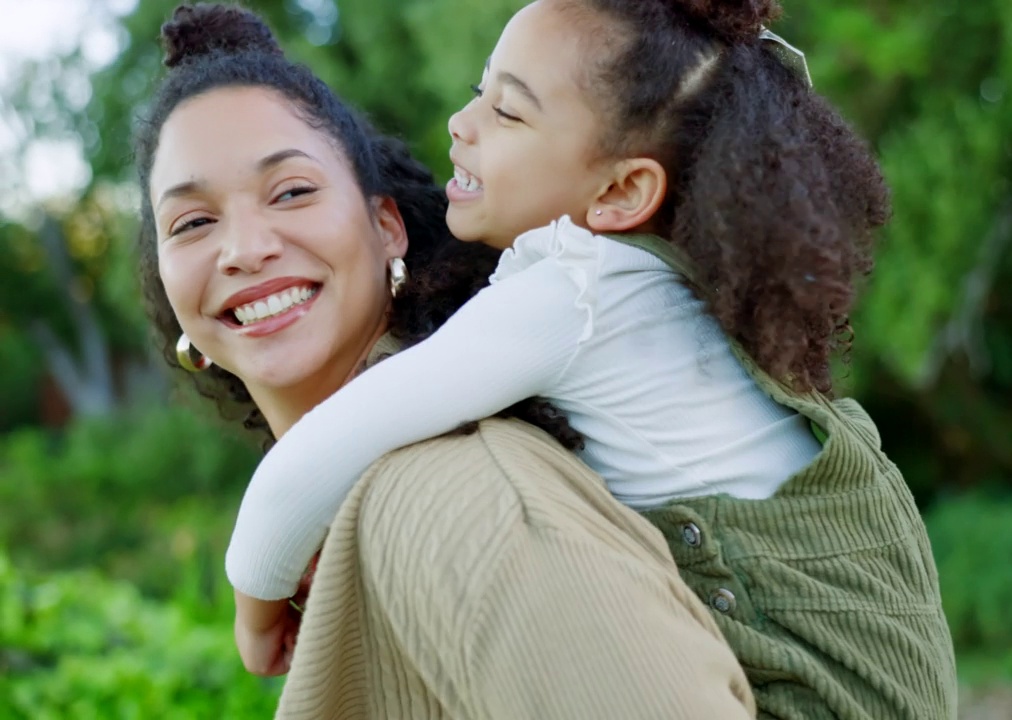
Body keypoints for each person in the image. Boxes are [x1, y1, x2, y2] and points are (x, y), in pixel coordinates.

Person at [228, 0, 960, 717]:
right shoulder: (677, 287)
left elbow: (325, 447)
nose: (463, 122)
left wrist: (260, 608)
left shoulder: (575, 290)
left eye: (508, 113)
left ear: (621, 190)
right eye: (479, 91)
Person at [134, 4, 758, 718]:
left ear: (386, 227)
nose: (243, 248)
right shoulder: (365, 504)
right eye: (192, 222)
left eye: (293, 191)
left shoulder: (456, 496)